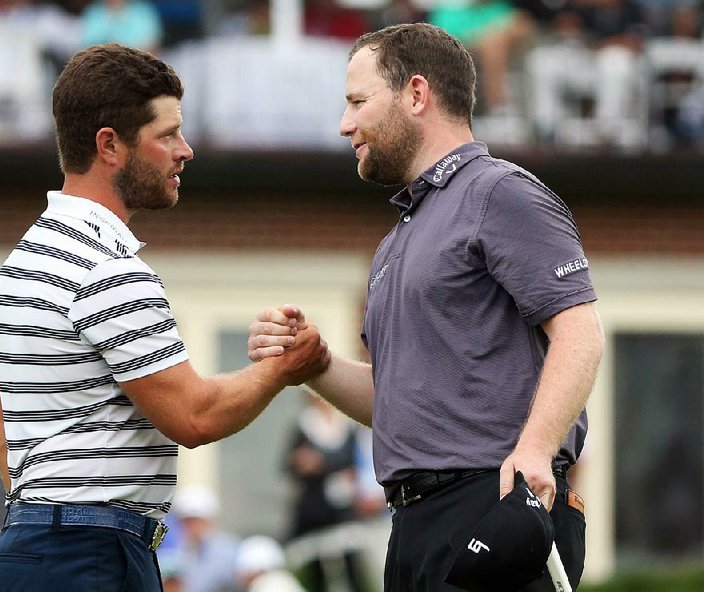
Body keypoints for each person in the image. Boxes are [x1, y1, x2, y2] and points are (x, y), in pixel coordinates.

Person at [248, 23, 605, 591]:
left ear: (416, 94)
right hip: (415, 524)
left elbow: (581, 333)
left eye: (358, 102)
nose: (345, 125)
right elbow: (397, 402)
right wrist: (314, 364)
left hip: (496, 505)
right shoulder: (396, 240)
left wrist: (535, 451)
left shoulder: (500, 193)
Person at [0, 43, 329, 592]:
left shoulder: (22, 262)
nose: (185, 150)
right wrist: (285, 367)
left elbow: (7, 438)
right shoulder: (106, 267)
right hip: (93, 553)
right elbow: (194, 417)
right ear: (110, 146)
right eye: (167, 134)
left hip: (30, 544)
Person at [284, 391, 364, 592]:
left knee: (351, 566)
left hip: (342, 508)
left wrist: (321, 462)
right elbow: (291, 465)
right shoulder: (304, 426)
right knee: (315, 568)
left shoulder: (346, 426)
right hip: (314, 509)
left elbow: (352, 461)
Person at [172, 485, 241, 592]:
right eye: (187, 521)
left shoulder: (229, 549)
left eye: (196, 521)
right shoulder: (178, 551)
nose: (192, 527)